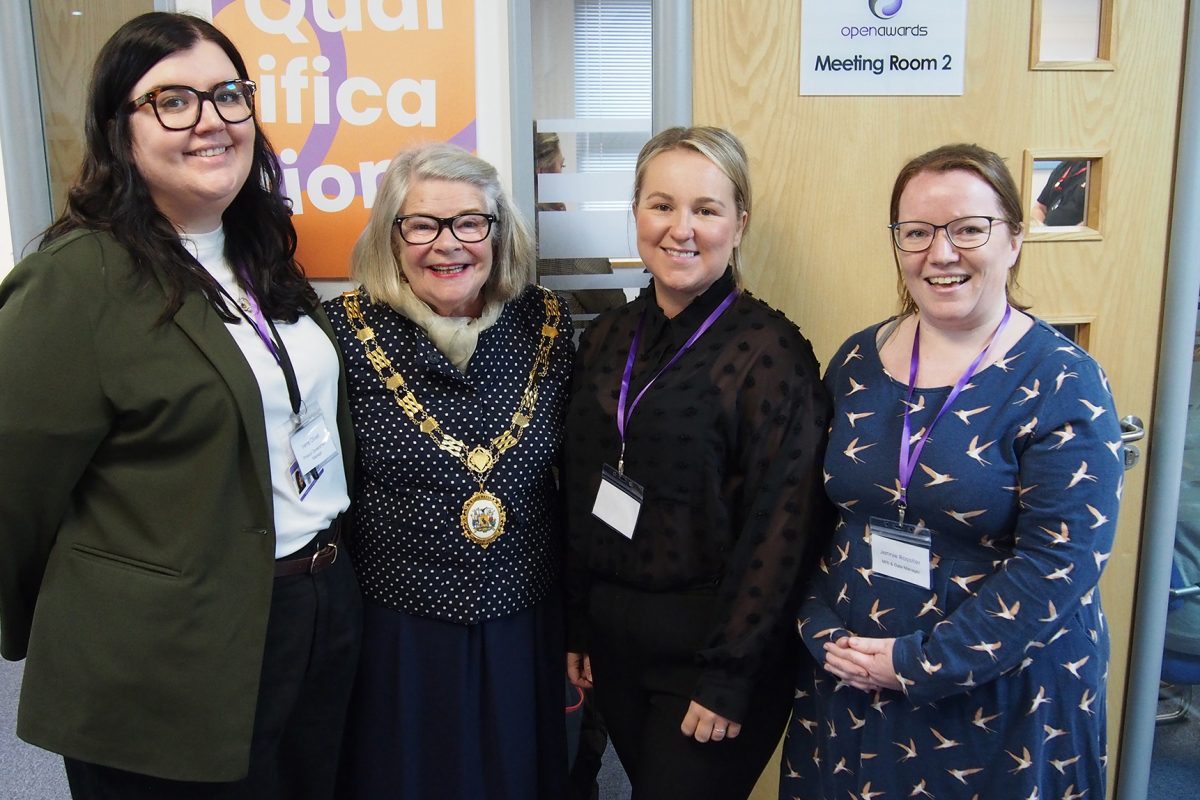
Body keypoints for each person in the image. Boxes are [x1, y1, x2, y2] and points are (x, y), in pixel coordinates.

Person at [0, 12, 360, 800]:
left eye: (228, 96)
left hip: (317, 608)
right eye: (172, 101)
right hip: (166, 650)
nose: (210, 121)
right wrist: (72, 619)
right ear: (116, 127)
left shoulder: (260, 251)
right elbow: (13, 491)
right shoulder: (77, 279)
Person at [780, 143, 1122, 799]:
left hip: (1000, 702)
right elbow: (813, 517)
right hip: (853, 677)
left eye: (969, 229)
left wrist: (916, 662)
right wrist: (818, 626)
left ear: (1015, 239)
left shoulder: (1062, 380)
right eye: (917, 232)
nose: (941, 253)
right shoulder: (856, 359)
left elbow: (1060, 565)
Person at [563, 126, 832, 799]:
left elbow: (785, 532)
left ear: (739, 224)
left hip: (712, 656)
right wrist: (578, 623)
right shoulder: (606, 338)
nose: (680, 228)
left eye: (706, 210)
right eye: (661, 205)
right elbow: (575, 494)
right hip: (614, 646)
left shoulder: (770, 355)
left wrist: (730, 676)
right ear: (636, 214)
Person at [324, 141, 574, 799]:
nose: (449, 244)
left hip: (523, 616)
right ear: (392, 236)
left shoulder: (546, 322)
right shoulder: (342, 332)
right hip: (399, 627)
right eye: (424, 225)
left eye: (469, 222)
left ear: (497, 232)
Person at [534, 130, 628, 322]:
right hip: (575, 348)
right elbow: (614, 307)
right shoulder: (564, 235)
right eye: (561, 166)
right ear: (543, 174)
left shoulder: (503, 227)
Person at [1033, 158, 1089, 226]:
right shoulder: (1065, 166)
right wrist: (1039, 228)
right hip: (1046, 232)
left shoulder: (1098, 171)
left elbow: (1095, 222)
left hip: (1076, 235)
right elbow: (1040, 208)